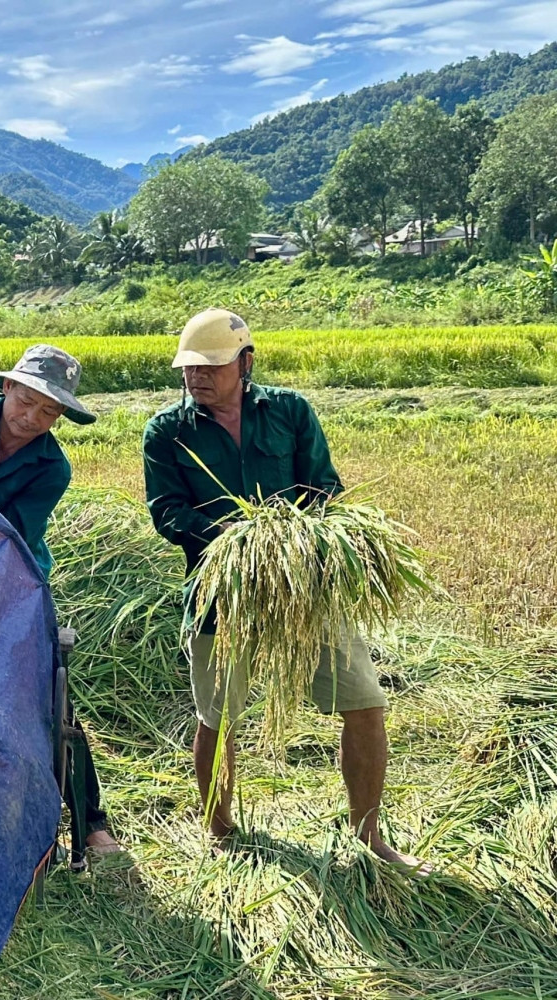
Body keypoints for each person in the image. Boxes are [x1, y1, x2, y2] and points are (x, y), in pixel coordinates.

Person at [143, 308, 425, 870]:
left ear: (245, 362)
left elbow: (324, 488)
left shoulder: (290, 412)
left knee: (365, 702)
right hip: (220, 595)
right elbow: (167, 511)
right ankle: (220, 834)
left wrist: (290, 539)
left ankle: (369, 836)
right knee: (216, 714)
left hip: (306, 587)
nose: (196, 377)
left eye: (211, 366)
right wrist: (237, 540)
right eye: (188, 368)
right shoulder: (167, 430)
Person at [0, 343, 120, 855]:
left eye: (50, 411)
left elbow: (11, 535)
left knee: (47, 695)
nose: (32, 417)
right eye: (28, 399)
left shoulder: (51, 469)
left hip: (15, 578)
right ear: (7, 387)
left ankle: (90, 822)